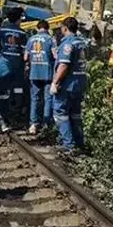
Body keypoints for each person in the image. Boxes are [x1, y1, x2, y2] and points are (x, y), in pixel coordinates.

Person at [51, 17, 89, 152]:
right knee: (75, 114)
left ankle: (69, 145)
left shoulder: (67, 44)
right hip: (80, 83)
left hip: (68, 84)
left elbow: (64, 65)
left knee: (60, 113)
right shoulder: (82, 42)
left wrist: (55, 82)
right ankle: (79, 143)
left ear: (65, 28)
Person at [0, 8, 27, 130]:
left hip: (4, 62)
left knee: (3, 89)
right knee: (18, 88)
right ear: (18, 20)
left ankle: (3, 113)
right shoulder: (22, 33)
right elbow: (25, 50)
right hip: (18, 64)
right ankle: (16, 109)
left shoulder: (2, 30)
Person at [25, 20, 56, 134]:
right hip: (47, 73)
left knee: (34, 98)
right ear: (47, 29)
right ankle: (46, 124)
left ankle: (33, 124)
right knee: (48, 98)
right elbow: (55, 55)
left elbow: (25, 57)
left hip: (34, 72)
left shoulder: (30, 39)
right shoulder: (50, 39)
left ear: (37, 28)